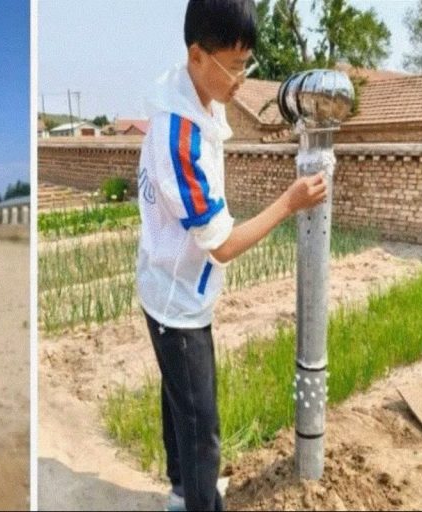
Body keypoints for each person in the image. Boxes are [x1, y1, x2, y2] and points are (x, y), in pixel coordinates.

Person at [136, 1, 328, 510]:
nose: (243, 79)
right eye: (235, 65)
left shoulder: (196, 95)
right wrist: (289, 202)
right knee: (203, 429)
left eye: (248, 64)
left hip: (168, 283)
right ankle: (197, 499)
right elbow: (221, 244)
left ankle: (181, 492)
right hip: (176, 302)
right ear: (197, 56)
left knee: (181, 403)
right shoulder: (178, 139)